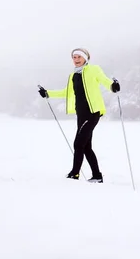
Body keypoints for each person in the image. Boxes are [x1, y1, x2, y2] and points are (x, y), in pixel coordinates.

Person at [38, 48, 120, 183]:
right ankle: (97, 176)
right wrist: (48, 93)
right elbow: (67, 92)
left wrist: (113, 86)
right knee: (86, 146)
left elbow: (105, 81)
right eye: (74, 57)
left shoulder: (94, 70)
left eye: (78, 57)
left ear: (85, 58)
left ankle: (74, 173)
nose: (76, 60)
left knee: (78, 144)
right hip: (81, 114)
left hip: (93, 112)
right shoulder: (73, 76)